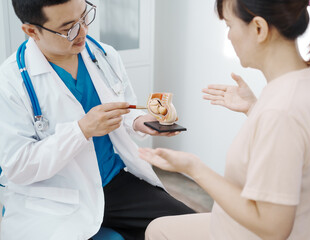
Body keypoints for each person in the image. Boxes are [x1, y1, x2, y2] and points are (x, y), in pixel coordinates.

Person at [139, 0, 310, 239]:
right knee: (158, 228)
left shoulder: (280, 112)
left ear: (259, 29)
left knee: (158, 232)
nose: (229, 37)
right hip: (306, 229)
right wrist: (254, 109)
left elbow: (273, 227)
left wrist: (195, 168)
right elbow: (297, 148)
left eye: (230, 25)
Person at [0, 0, 195, 239]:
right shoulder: (10, 83)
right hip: (56, 197)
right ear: (31, 30)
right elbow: (18, 166)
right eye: (68, 27)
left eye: (84, 16)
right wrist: (81, 130)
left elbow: (123, 106)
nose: (83, 31)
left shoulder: (104, 55)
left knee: (194, 228)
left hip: (114, 182)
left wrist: (138, 121)